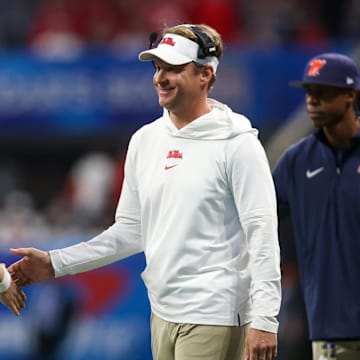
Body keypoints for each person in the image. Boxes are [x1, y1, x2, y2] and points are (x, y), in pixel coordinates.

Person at [9, 23, 281, 360]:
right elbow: (130, 231)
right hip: (163, 312)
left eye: (174, 69)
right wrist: (55, 263)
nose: (160, 78)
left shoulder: (238, 145)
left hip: (216, 313)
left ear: (205, 75)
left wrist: (265, 318)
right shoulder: (145, 140)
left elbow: (263, 234)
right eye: (158, 67)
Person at [272, 52, 360, 359]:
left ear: (350, 95)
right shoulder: (297, 161)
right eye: (309, 92)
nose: (312, 100)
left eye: (323, 92)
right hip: (329, 323)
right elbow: (259, 218)